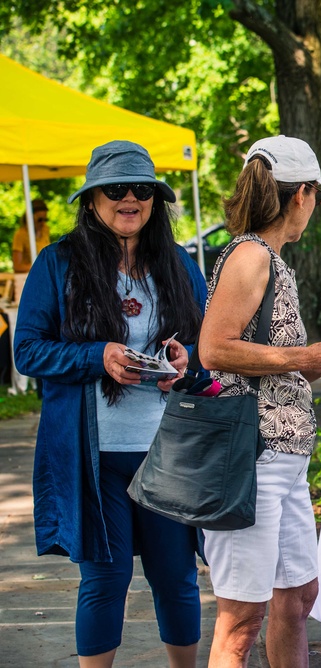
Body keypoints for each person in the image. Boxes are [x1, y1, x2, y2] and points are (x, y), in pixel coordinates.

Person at [14, 140, 206, 667]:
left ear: (156, 200)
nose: (130, 198)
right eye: (116, 189)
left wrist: (186, 364)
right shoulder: (57, 264)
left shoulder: (178, 265)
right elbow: (27, 350)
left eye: (142, 189)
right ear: (93, 198)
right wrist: (96, 356)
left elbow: (209, 351)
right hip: (93, 455)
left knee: (176, 577)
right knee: (105, 579)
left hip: (166, 452)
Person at [198, 135, 321, 667]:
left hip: (283, 458)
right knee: (239, 623)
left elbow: (276, 367)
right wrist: (304, 357)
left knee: (298, 598)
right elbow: (214, 349)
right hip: (250, 460)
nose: (314, 208)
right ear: (300, 193)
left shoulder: (274, 261)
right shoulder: (250, 256)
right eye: (316, 197)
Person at [12, 198, 52, 272]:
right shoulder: (20, 235)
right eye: (40, 220)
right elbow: (17, 266)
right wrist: (39, 266)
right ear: (30, 217)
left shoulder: (45, 229)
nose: (43, 223)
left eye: (45, 219)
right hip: (27, 277)